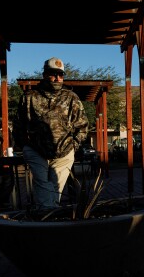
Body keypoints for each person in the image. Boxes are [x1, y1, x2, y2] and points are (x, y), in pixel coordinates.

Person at [15, 57, 89, 211]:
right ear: (44, 75)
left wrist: (74, 145)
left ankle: (48, 217)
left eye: (60, 75)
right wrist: (25, 145)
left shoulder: (71, 97)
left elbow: (82, 125)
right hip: (36, 150)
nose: (57, 78)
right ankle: (48, 217)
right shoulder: (29, 97)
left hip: (64, 151)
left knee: (56, 187)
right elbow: (18, 124)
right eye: (53, 74)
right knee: (42, 183)